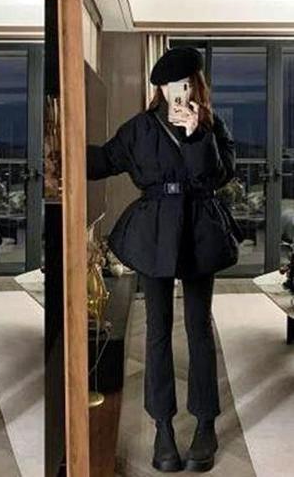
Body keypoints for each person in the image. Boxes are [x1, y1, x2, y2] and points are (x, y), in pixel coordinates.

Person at [87, 47, 243, 473]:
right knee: (157, 330)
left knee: (199, 328)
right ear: (160, 88)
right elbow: (102, 161)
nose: (182, 91)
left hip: (199, 227)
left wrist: (195, 136)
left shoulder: (212, 124)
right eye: (175, 85)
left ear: (197, 86)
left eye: (188, 83)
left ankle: (205, 424)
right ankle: (163, 427)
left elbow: (217, 176)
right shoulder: (139, 128)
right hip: (154, 230)